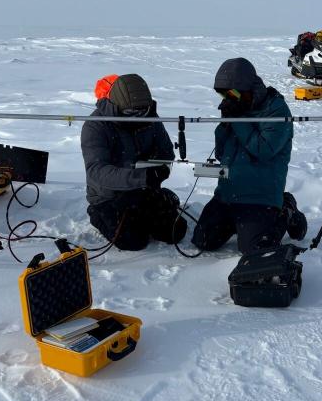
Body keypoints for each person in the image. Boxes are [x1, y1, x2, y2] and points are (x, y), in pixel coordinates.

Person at [191, 58, 307, 255]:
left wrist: (238, 120)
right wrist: (225, 124)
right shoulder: (238, 108)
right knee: (203, 240)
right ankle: (238, 222)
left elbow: (263, 150)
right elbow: (221, 153)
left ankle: (285, 210)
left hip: (260, 195)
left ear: (247, 89)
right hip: (228, 193)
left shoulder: (275, 110)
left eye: (232, 93)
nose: (228, 98)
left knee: (253, 248)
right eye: (223, 94)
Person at [81, 73, 187, 251]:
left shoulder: (150, 117)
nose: (138, 116)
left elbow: (166, 151)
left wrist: (158, 170)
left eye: (142, 112)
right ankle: (98, 214)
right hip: (108, 196)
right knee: (133, 241)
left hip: (143, 190)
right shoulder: (96, 126)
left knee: (175, 232)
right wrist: (141, 176)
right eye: (132, 113)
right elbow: (97, 171)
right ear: (118, 105)